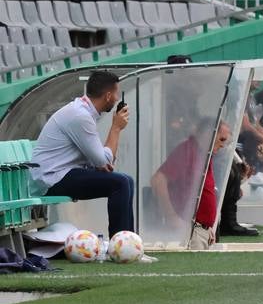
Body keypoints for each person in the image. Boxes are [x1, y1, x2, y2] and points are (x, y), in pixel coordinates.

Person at [31, 70, 135, 237]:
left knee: (127, 181)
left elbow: (103, 162)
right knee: (120, 183)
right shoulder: (80, 116)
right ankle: (120, 245)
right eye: (116, 94)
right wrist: (116, 128)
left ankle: (130, 243)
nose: (117, 99)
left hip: (62, 173)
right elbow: (103, 160)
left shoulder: (83, 112)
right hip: (51, 179)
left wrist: (101, 163)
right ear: (108, 96)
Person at [152, 120, 229, 250]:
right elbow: (158, 180)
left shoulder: (203, 154)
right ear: (208, 135)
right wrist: (172, 217)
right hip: (190, 230)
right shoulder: (187, 151)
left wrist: (207, 227)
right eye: (222, 139)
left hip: (200, 231)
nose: (223, 145)